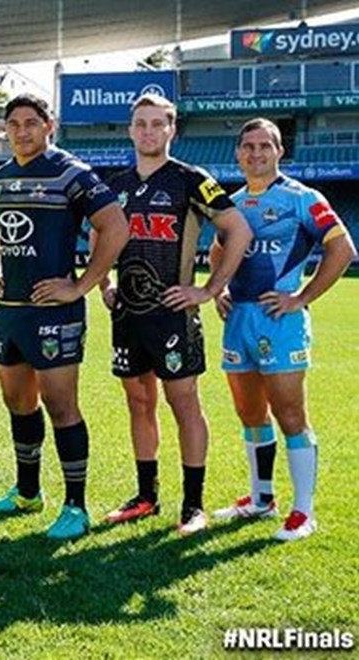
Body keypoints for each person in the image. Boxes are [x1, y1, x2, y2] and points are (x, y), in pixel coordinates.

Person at [0, 93, 129, 540]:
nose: (22, 131)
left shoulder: (71, 173)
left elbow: (115, 227)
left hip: (55, 314)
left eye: (31, 122)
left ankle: (76, 506)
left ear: (49, 126)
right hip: (11, 311)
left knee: (61, 407)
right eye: (13, 124)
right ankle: (27, 493)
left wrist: (81, 285)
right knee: (18, 403)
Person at [101, 94, 252, 535]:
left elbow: (238, 229)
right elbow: (98, 236)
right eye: (141, 123)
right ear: (130, 130)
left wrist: (208, 289)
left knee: (183, 403)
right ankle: (145, 496)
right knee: (138, 402)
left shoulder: (191, 179)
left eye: (157, 124)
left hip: (173, 315)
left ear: (172, 130)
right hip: (128, 315)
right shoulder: (115, 184)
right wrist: (103, 283)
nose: (148, 131)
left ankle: (193, 505)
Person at [210, 117, 356, 541]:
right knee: (250, 414)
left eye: (265, 146)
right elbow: (219, 249)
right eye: (248, 146)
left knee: (290, 414)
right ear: (238, 153)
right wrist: (219, 289)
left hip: (280, 321)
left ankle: (303, 511)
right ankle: (261, 499)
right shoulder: (231, 204)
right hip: (238, 320)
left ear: (280, 151)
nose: (256, 153)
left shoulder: (302, 198)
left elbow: (342, 249)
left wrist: (301, 297)